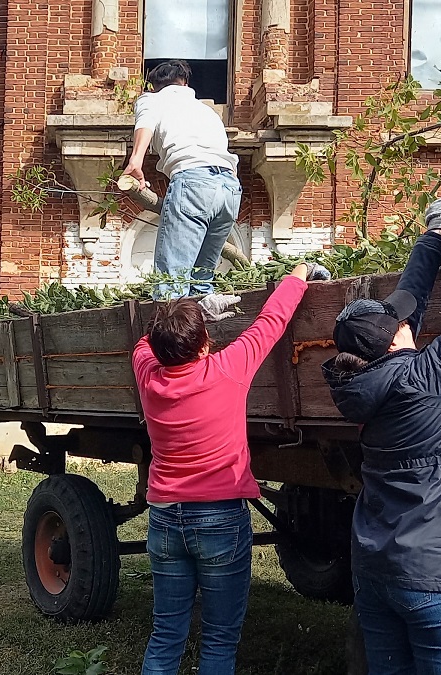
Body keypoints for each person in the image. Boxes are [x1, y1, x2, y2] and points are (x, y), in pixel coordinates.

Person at [322, 190, 441, 675]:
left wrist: (435, 236)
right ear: (398, 338)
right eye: (400, 323)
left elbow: (409, 306)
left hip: (377, 572)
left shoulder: (357, 380)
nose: (407, 320)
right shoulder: (425, 376)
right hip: (438, 575)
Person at [133, 261, 327, 675]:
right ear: (206, 344)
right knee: (219, 639)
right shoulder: (227, 369)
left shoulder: (149, 377)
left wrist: (195, 310)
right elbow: (271, 322)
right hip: (219, 517)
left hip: (165, 518)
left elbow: (143, 344)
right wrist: (298, 273)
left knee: (166, 633)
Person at [123, 60, 242, 299]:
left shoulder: (151, 99)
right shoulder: (206, 111)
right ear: (185, 83)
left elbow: (145, 124)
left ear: (153, 86)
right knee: (201, 278)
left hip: (194, 182)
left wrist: (135, 162)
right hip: (230, 189)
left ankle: (170, 334)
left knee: (172, 280)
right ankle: (202, 329)